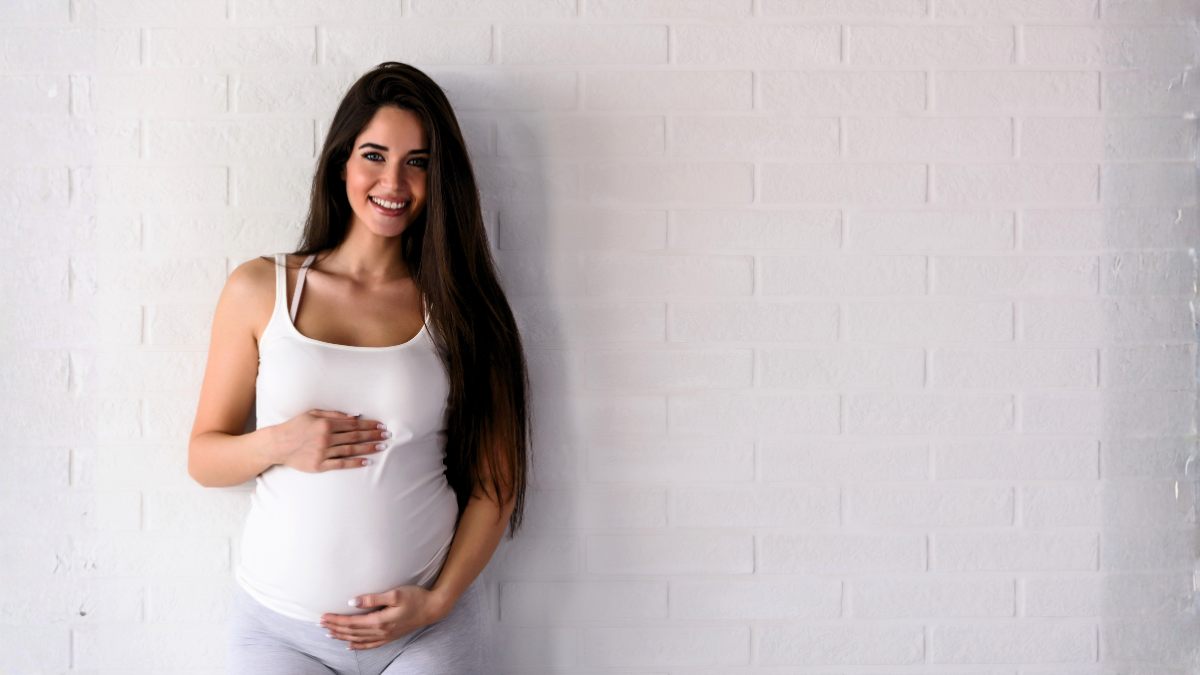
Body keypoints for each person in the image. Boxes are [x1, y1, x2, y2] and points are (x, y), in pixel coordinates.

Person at [187, 62, 529, 674]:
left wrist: (436, 603)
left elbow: (496, 484)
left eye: (418, 162)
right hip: (279, 632)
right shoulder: (261, 288)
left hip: (426, 633)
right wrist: (279, 442)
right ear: (342, 161)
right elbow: (204, 458)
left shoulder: (463, 306)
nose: (393, 181)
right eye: (374, 155)